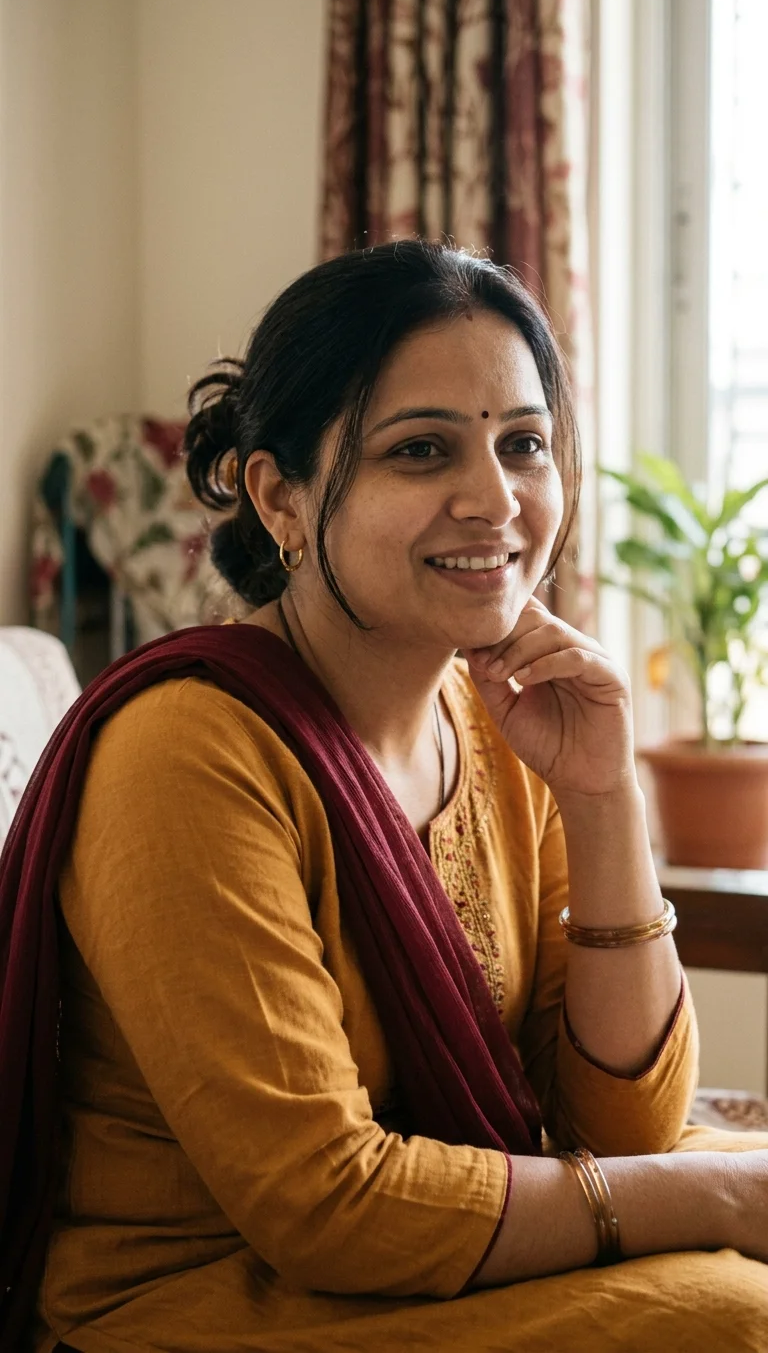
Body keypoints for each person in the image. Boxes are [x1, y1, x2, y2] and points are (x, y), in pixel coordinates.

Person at [6, 241, 767, 1352]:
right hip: (208, 1292)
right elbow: (324, 1205)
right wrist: (719, 1198)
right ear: (280, 496)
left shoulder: (503, 723)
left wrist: (604, 798)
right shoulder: (186, 752)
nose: (496, 500)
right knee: (736, 1318)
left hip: (436, 1247)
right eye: (421, 450)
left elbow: (623, 1128)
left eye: (525, 444)